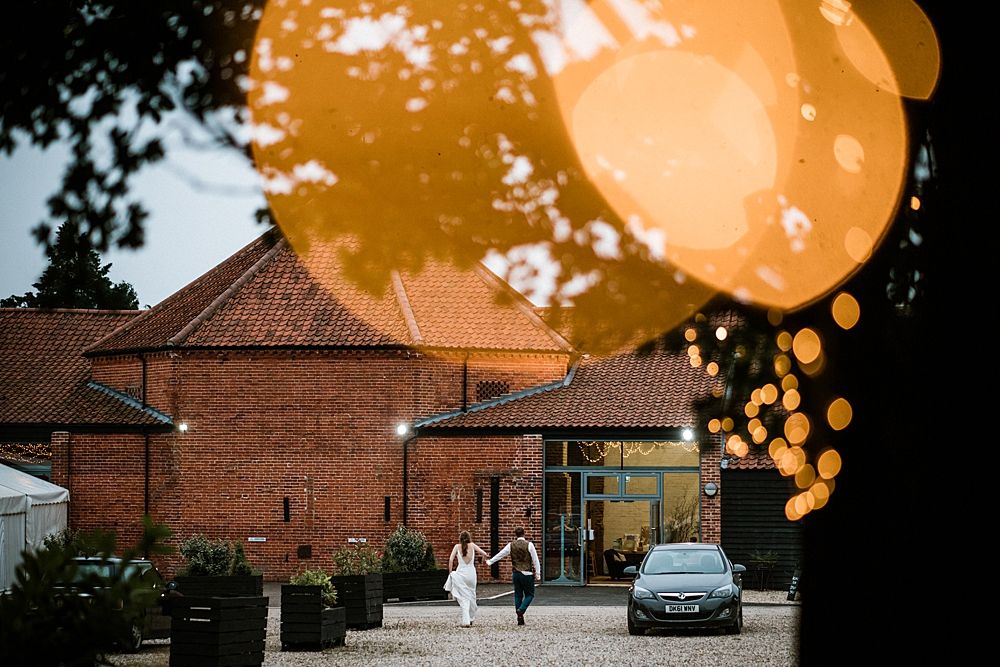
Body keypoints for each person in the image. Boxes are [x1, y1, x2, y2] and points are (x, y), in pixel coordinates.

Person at [486, 526, 541, 626]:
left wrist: (490, 561)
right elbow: (535, 560)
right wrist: (538, 573)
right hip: (527, 573)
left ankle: (519, 617)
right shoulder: (529, 545)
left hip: (516, 573)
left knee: (518, 595)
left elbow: (500, 554)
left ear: (516, 534)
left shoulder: (510, 545)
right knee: (530, 594)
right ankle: (521, 610)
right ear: (524, 534)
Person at [445, 530, 490, 627]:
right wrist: (483, 560)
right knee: (472, 595)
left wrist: (450, 572)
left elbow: (451, 559)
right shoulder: (473, 545)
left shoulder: (457, 547)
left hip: (461, 574)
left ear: (460, 538)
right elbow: (485, 554)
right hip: (471, 574)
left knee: (463, 598)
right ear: (469, 538)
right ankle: (471, 618)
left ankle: (466, 620)